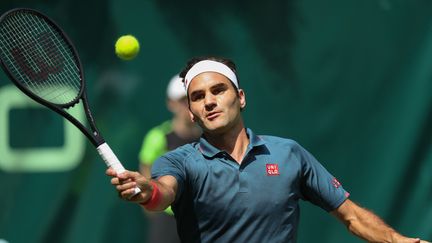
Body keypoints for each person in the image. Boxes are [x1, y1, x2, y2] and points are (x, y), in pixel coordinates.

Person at [107, 57, 429, 243]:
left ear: (241, 97)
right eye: (198, 96)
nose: (209, 101)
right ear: (191, 112)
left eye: (218, 90)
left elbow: (351, 216)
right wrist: (145, 189)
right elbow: (161, 193)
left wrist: (400, 242)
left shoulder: (288, 153)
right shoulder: (178, 161)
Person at [138, 74, 201, 243]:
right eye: (182, 100)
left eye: (192, 99)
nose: (188, 105)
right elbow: (146, 169)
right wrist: (150, 205)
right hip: (166, 219)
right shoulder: (158, 136)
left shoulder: (207, 139)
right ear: (171, 104)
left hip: (199, 217)